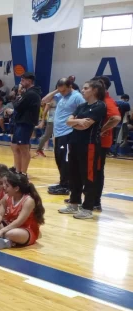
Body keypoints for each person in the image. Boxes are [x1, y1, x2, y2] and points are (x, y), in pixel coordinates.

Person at [57, 80, 107, 220]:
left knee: (88, 176)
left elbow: (85, 126)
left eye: (86, 88)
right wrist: (77, 121)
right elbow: (68, 121)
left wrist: (75, 122)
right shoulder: (82, 106)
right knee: (74, 174)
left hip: (89, 145)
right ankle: (74, 203)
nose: (83, 90)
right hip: (74, 143)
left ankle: (87, 208)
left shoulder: (100, 106)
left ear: (95, 90)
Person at [0, 172, 44, 249]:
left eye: (7, 185)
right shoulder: (7, 196)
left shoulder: (28, 201)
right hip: (8, 226)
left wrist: (1, 231)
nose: (4, 187)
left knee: (10, 234)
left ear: (16, 188)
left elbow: (19, 221)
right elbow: (0, 214)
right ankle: (3, 240)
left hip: (25, 230)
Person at [41, 77, 84, 196]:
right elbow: (44, 100)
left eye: (64, 90)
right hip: (58, 133)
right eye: (60, 90)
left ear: (71, 87)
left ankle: (66, 186)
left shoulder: (77, 96)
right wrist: (57, 91)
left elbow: (84, 111)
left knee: (66, 161)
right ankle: (63, 182)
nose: (62, 93)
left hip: (69, 133)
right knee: (59, 159)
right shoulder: (61, 96)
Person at [91, 76, 120, 211]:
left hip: (100, 144)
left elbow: (115, 118)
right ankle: (87, 198)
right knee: (90, 171)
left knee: (97, 171)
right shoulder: (97, 102)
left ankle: (96, 201)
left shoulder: (107, 102)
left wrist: (101, 130)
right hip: (91, 143)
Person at [11, 72, 41, 176]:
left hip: (26, 122)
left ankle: (23, 173)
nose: (21, 82)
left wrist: (19, 94)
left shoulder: (31, 94)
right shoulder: (28, 93)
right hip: (20, 122)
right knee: (15, 146)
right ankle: (17, 170)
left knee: (23, 147)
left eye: (23, 80)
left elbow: (17, 106)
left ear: (29, 81)